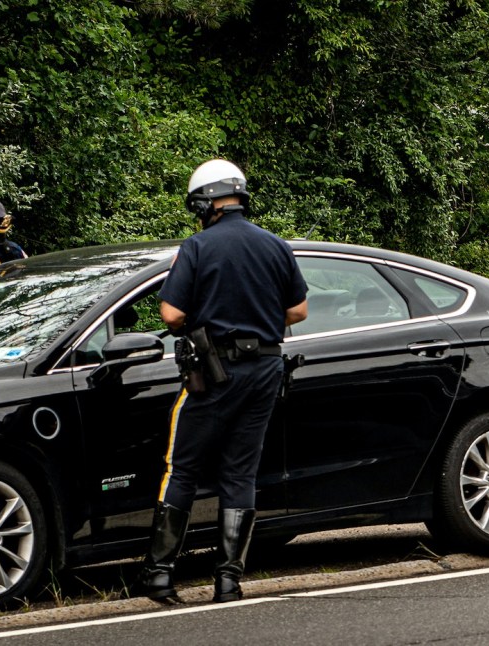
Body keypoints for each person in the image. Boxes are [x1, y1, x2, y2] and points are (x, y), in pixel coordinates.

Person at [133, 159, 308, 604]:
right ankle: (228, 581)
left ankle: (159, 576)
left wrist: (206, 313)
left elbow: (171, 315)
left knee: (183, 467)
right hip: (265, 370)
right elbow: (298, 311)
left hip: (213, 373)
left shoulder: (197, 246)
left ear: (205, 202)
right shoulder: (275, 246)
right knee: (240, 472)